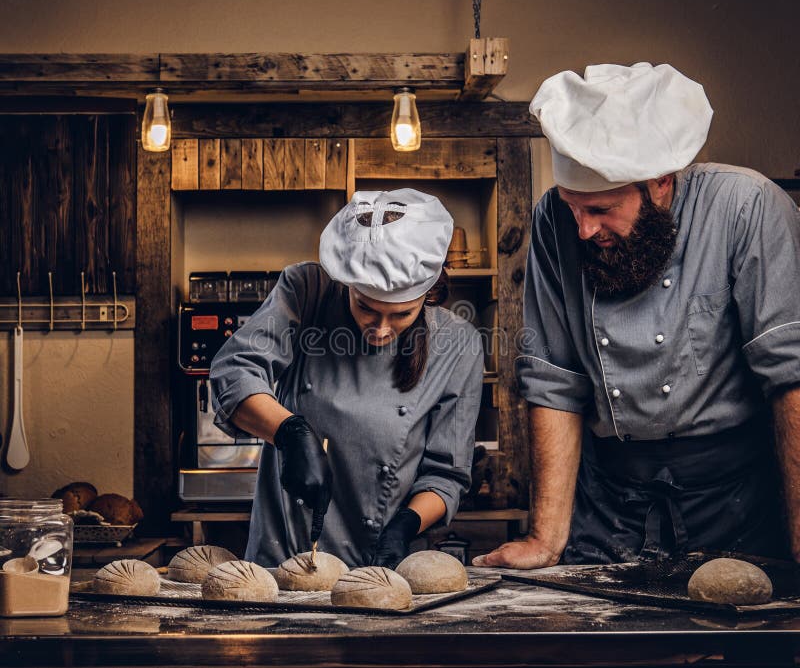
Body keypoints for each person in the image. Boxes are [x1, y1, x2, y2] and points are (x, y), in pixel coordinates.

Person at [474, 63, 800, 568]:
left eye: (601, 210)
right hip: (609, 499)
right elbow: (555, 379)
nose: (583, 231)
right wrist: (545, 538)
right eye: (573, 206)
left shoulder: (746, 207)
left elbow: (791, 373)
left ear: (660, 183)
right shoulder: (552, 221)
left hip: (734, 496)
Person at [210, 188, 484, 568]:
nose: (381, 329)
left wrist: (405, 526)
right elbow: (234, 371)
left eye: (401, 315)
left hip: (380, 567)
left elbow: (446, 474)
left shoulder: (458, 344)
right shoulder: (307, 291)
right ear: (346, 285)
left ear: (429, 294)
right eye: (366, 308)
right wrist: (289, 433)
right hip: (282, 558)